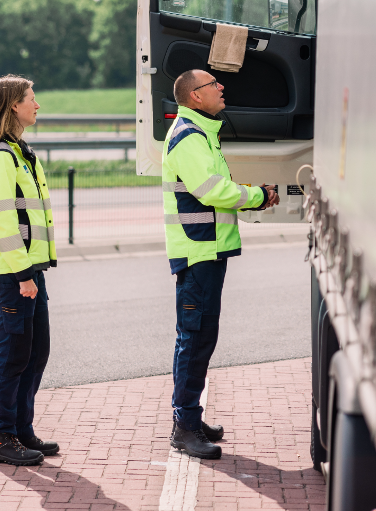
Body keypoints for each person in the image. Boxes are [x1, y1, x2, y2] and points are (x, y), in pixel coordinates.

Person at [163, 69, 281, 459]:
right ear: (195, 96)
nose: (221, 87)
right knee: (194, 339)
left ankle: (192, 420)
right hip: (199, 252)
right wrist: (257, 196)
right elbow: (212, 190)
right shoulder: (189, 137)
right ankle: (184, 427)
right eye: (213, 84)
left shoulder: (200, 134)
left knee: (200, 338)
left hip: (207, 251)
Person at [0, 74, 59, 466]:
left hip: (27, 268)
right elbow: (4, 223)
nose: (37, 105)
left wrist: (31, 270)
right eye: (31, 99)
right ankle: (1, 438)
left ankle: (21, 429)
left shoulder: (21, 152)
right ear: (13, 107)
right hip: (12, 271)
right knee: (12, 355)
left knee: (36, 352)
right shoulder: (2, 157)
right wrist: (23, 275)